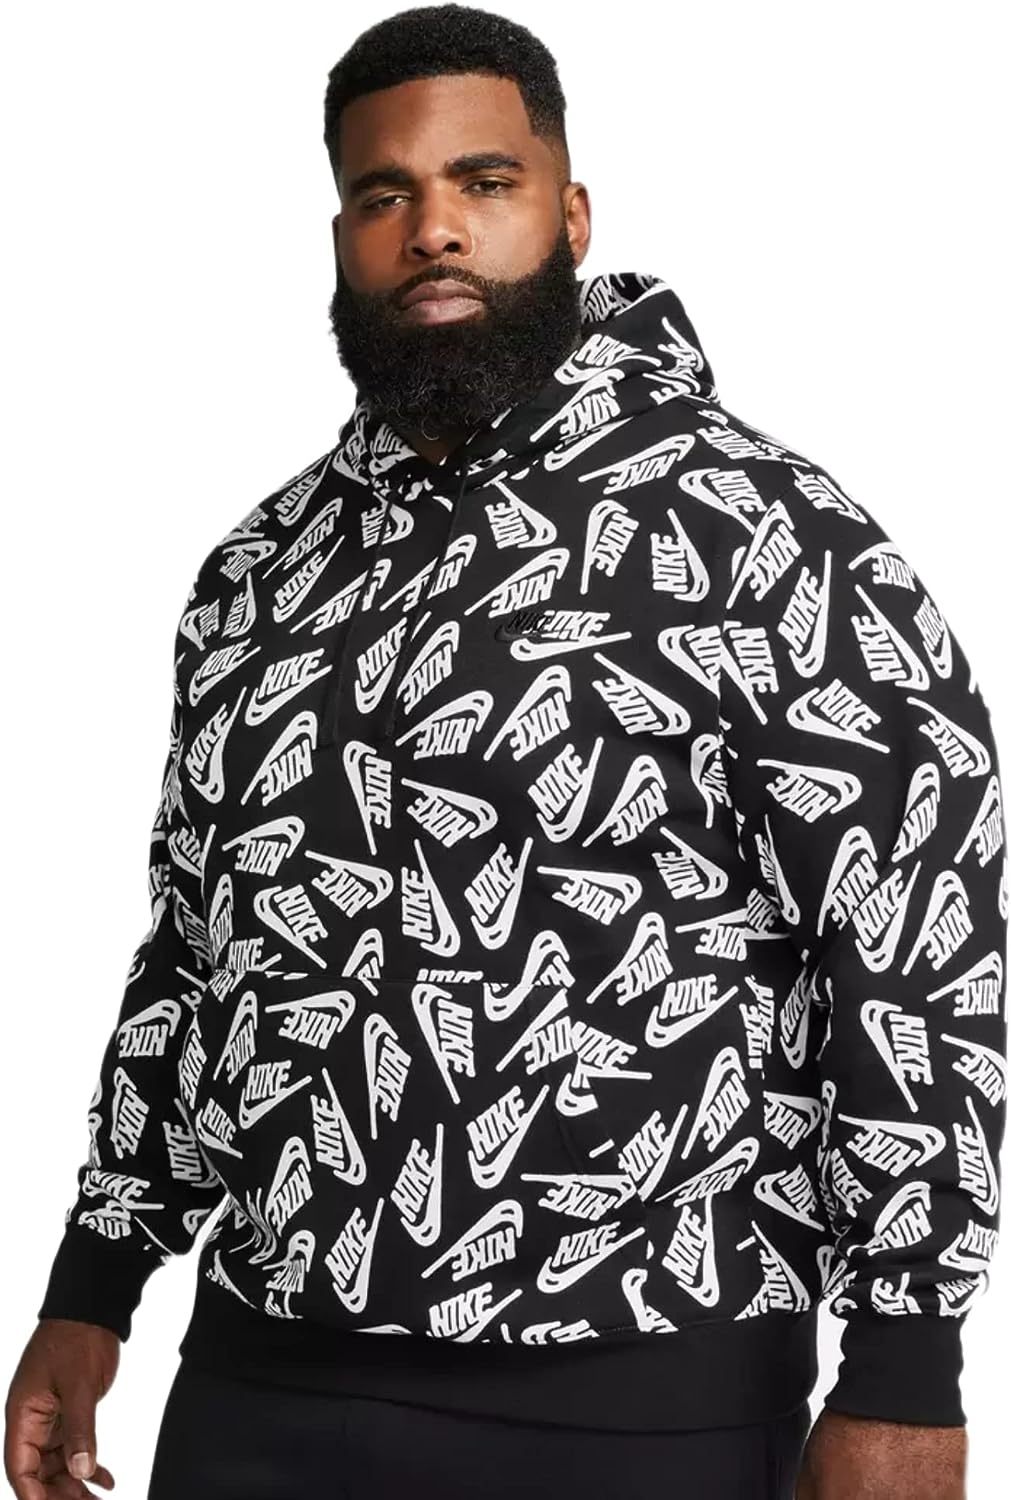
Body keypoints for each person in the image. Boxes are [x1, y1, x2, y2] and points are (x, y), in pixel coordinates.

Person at [5, 5, 1006, 1498]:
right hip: (263, 1376)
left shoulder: (762, 535)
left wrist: (908, 1371)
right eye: (385, 194)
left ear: (572, 215)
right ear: (341, 235)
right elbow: (200, 952)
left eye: (485, 182)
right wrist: (94, 1284)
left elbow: (917, 938)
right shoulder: (261, 572)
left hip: (643, 1385)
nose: (435, 230)